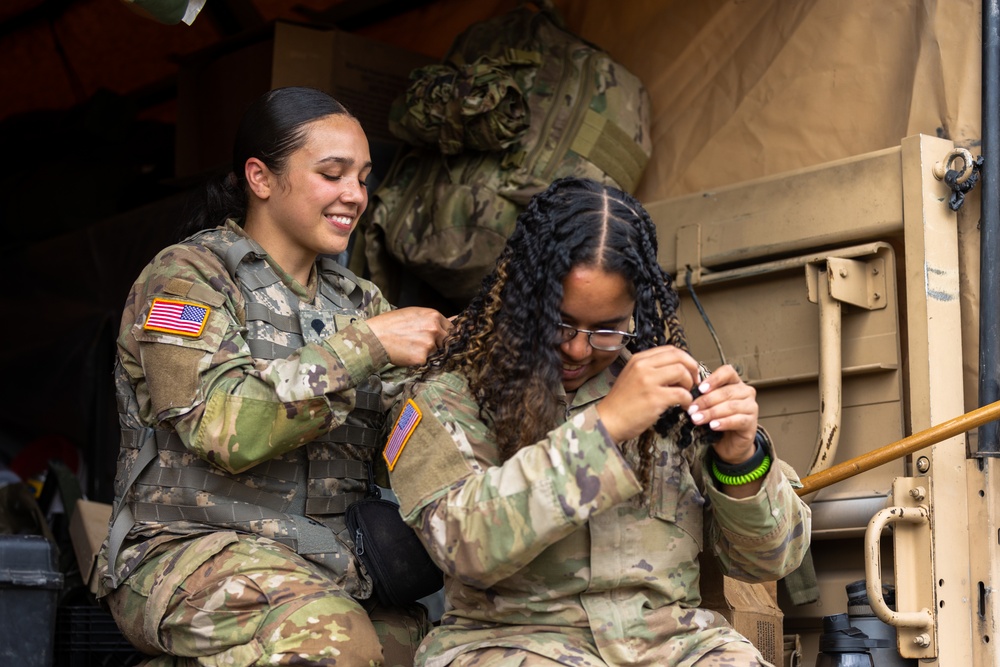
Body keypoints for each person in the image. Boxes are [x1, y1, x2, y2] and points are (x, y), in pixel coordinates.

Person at [383, 176, 812, 667]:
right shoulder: (448, 394)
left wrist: (744, 463)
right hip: (514, 645)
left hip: (674, 645)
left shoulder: (675, 393)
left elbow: (767, 562)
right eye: (559, 321)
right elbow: (462, 547)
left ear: (636, 316)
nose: (578, 348)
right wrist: (605, 428)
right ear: (521, 298)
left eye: (607, 329)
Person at [96, 86, 452, 667]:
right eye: (333, 174)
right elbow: (222, 427)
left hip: (327, 562)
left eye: (362, 178)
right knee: (333, 641)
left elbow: (409, 436)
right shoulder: (188, 279)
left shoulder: (359, 299)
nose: (354, 196)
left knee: (434, 651)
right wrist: (368, 346)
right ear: (260, 178)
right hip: (185, 555)